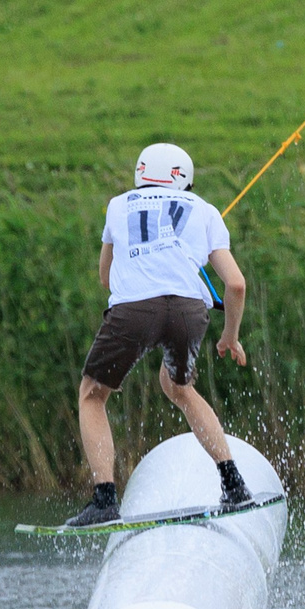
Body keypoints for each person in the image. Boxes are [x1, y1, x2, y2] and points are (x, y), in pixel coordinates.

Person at [64, 143, 253, 529]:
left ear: (140, 173)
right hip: (188, 311)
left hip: (134, 310)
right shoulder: (205, 211)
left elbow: (105, 276)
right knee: (179, 387)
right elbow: (235, 285)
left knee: (92, 393)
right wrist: (229, 337)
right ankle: (234, 485)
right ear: (183, 179)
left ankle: (104, 499)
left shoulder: (118, 206)